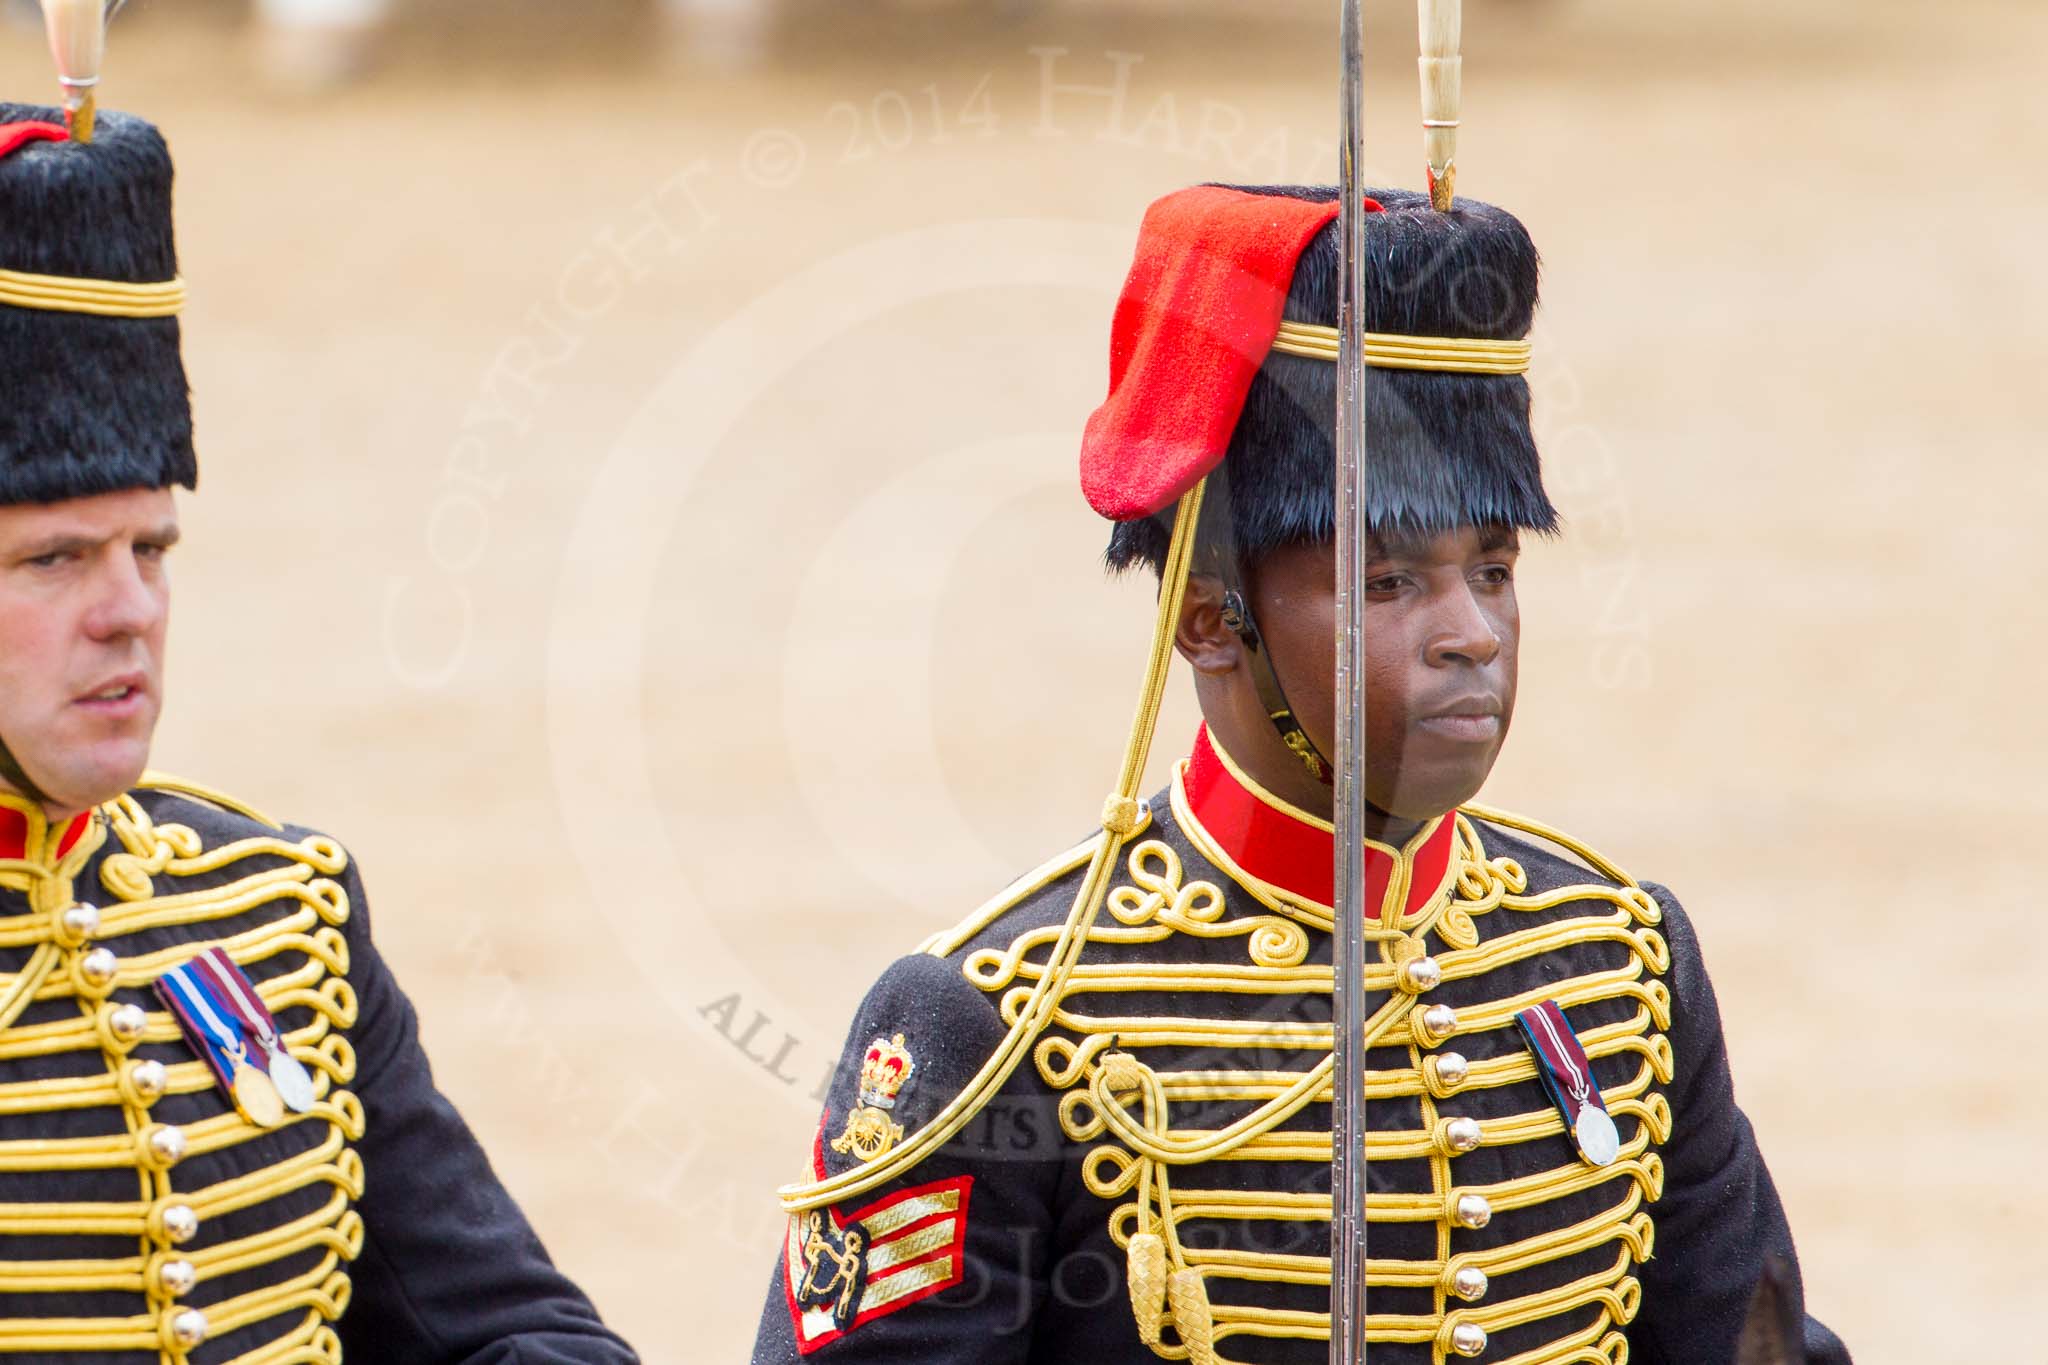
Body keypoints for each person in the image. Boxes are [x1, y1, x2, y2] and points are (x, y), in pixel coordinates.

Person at [749, 183, 1851, 1363]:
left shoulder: (1620, 961)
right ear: (1210, 623)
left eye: (1491, 570)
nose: (1470, 633)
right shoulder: (997, 1022)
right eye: (1387, 583)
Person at [0, 104, 638, 1361]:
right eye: (53, 559)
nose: (129, 611)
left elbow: (497, 1323)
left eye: (151, 550)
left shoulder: (272, 909)